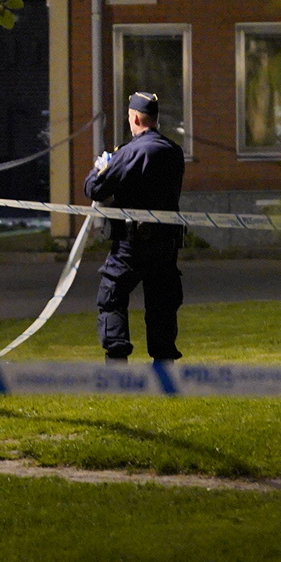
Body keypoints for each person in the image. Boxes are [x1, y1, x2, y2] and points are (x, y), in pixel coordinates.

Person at [84, 91, 186, 361]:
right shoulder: (174, 151)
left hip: (131, 244)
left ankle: (118, 360)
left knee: (112, 297)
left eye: (130, 117)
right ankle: (164, 365)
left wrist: (100, 168)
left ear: (136, 118)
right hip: (166, 242)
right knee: (162, 304)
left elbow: (95, 189)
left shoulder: (129, 153)